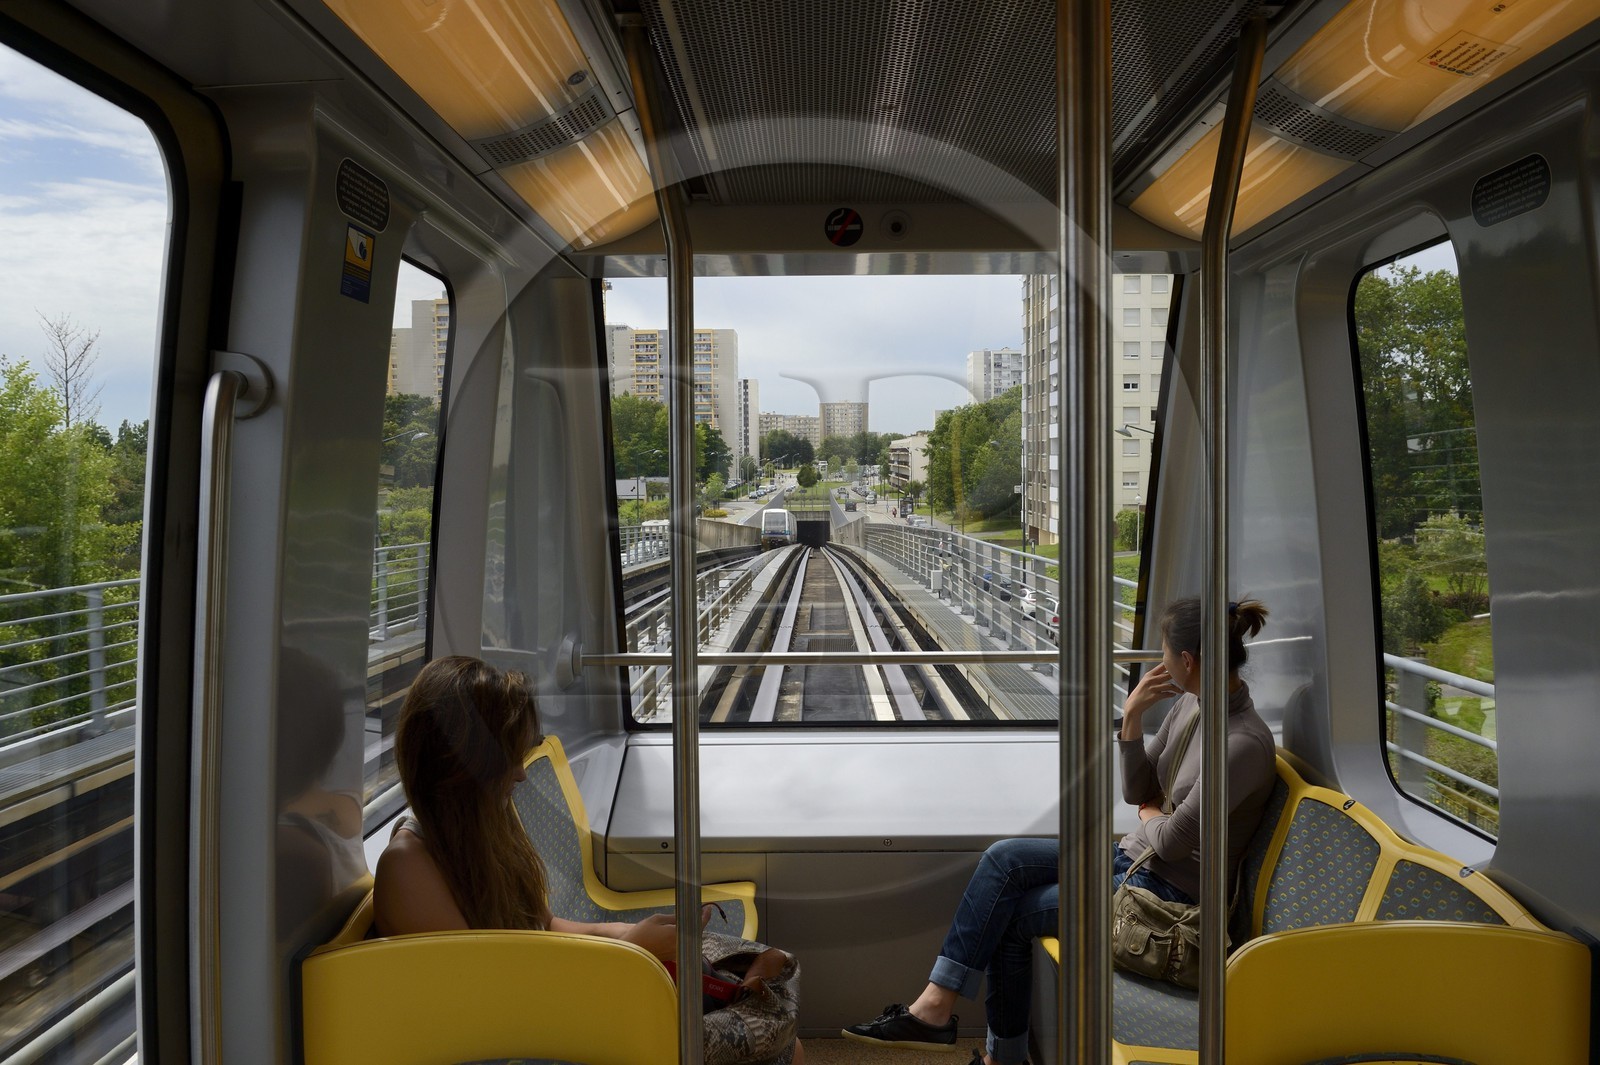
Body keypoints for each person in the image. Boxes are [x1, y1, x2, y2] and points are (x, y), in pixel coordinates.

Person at [842, 598, 1275, 1064]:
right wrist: (1131, 719)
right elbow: (1138, 792)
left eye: (1165, 653)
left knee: (1012, 916)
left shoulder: (1241, 745)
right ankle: (937, 1007)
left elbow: (1171, 843)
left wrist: (1153, 816)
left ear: (1187, 662)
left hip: (1165, 899)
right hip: (1134, 862)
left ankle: (986, 1048)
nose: (1160, 663)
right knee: (1004, 857)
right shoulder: (1191, 704)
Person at [374, 655, 804, 1065]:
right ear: (462, 762)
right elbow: (487, 1004)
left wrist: (625, 933)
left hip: (555, 987)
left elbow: (543, 926)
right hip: (532, 1021)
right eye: (508, 756)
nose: (521, 774)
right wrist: (628, 954)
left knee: (769, 960)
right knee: (768, 1029)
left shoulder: (485, 823)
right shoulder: (409, 867)